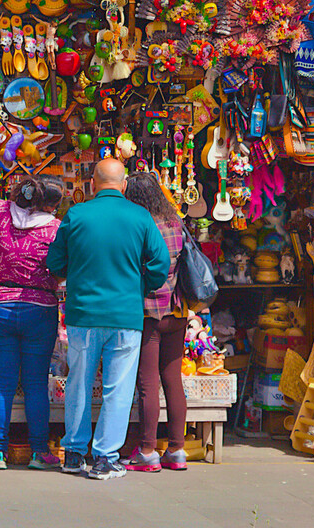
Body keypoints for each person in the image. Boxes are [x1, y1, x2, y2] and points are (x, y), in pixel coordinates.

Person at [46, 158, 169, 480]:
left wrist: (77, 274)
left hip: (83, 314)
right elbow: (160, 264)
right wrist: (139, 285)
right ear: (124, 184)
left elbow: (55, 261)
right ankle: (104, 458)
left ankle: (73, 453)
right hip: (125, 315)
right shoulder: (140, 216)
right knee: (118, 388)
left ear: (92, 184)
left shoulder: (77, 214)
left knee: (79, 384)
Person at [0, 177, 63, 471]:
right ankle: (40, 452)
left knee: (1, 382)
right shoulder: (55, 228)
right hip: (40, 309)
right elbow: (61, 268)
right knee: (35, 384)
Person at [121, 172, 188, 472]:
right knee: (173, 382)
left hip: (148, 311)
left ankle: (147, 450)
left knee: (147, 384)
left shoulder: (138, 226)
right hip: (177, 310)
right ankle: (177, 449)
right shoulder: (176, 222)